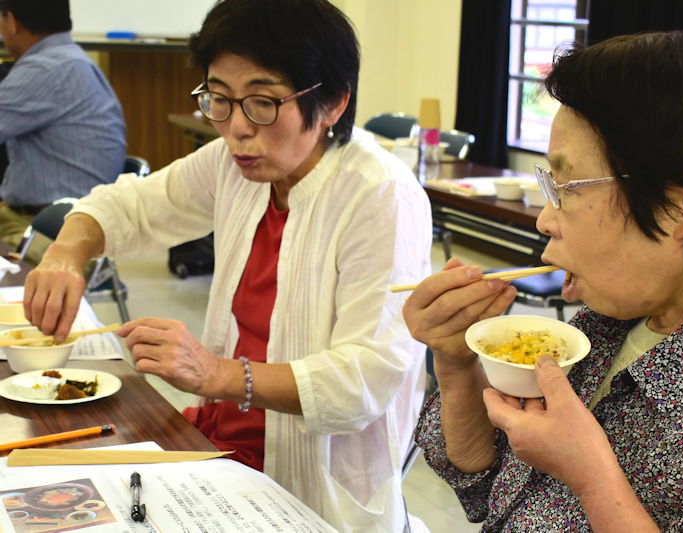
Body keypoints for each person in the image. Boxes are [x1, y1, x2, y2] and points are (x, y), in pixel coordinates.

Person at [23, 0, 431, 531]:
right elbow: (131, 206)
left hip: (305, 482)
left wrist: (217, 373)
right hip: (218, 440)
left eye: (262, 102)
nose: (236, 128)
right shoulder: (235, 165)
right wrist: (66, 252)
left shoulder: (379, 195)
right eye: (219, 99)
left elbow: (362, 382)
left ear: (332, 102)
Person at [403, 31, 683, 532]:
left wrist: (591, 477)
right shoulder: (610, 321)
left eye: (566, 187)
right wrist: (458, 366)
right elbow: (486, 490)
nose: (546, 220)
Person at [0, 0, 126, 248]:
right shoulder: (67, 60)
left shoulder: (45, 69)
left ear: (12, 23)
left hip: (51, 229)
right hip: (50, 217)